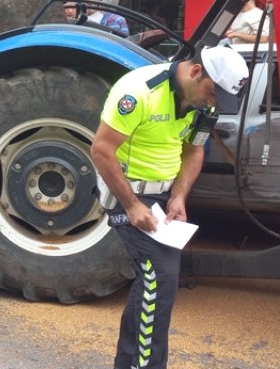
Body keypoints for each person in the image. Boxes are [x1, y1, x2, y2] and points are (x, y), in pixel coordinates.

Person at [91, 45, 248, 369]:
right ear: (194, 71)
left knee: (157, 280)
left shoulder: (204, 105)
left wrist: (178, 196)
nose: (213, 101)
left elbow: (194, 151)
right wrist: (132, 205)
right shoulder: (138, 92)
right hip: (126, 191)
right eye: (212, 92)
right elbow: (102, 150)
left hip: (163, 198)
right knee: (159, 276)